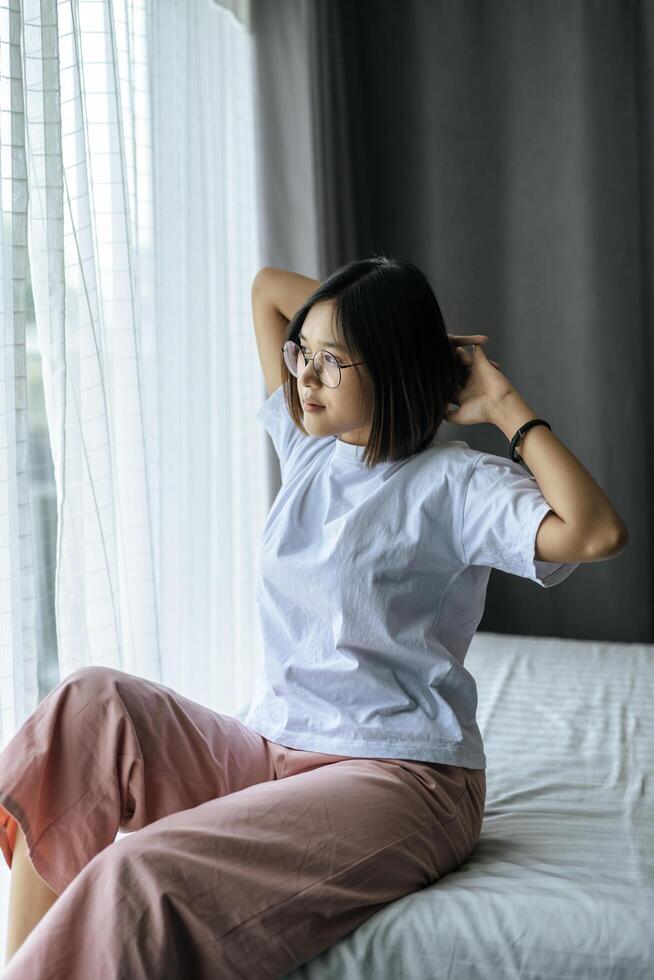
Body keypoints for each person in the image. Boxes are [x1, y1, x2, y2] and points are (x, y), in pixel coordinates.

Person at [0, 257, 628, 978]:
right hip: (276, 752)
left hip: (400, 779)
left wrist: (503, 401)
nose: (305, 375)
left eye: (333, 363)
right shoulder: (311, 450)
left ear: (387, 370)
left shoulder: (456, 483)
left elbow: (596, 533)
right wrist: (398, 338)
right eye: (306, 354)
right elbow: (267, 288)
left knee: (137, 875)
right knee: (87, 707)